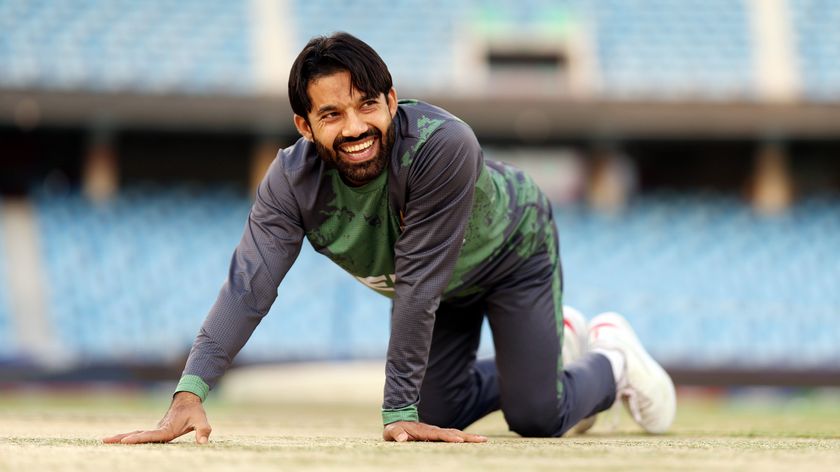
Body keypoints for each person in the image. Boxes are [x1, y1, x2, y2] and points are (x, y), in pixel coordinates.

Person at [104, 32, 675, 445]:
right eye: (331, 115)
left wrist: (395, 410)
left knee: (537, 417)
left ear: (391, 100)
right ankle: (549, 346)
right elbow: (249, 287)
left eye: (367, 105)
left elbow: (420, 280)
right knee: (436, 411)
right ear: (304, 126)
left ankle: (613, 359)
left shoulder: (442, 145)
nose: (354, 128)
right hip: (439, 288)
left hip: (509, 253)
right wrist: (190, 392)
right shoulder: (290, 182)